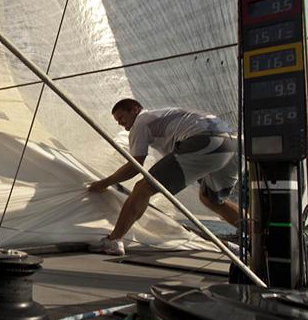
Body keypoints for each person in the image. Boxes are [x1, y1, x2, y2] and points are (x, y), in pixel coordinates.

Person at [87, 98, 238, 255]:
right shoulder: (166, 117)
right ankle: (258, 238)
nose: (120, 123)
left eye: (121, 117)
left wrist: (104, 183)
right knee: (212, 199)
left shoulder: (141, 122)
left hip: (205, 141)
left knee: (143, 187)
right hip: (232, 143)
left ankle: (114, 240)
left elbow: (134, 166)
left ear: (134, 109)